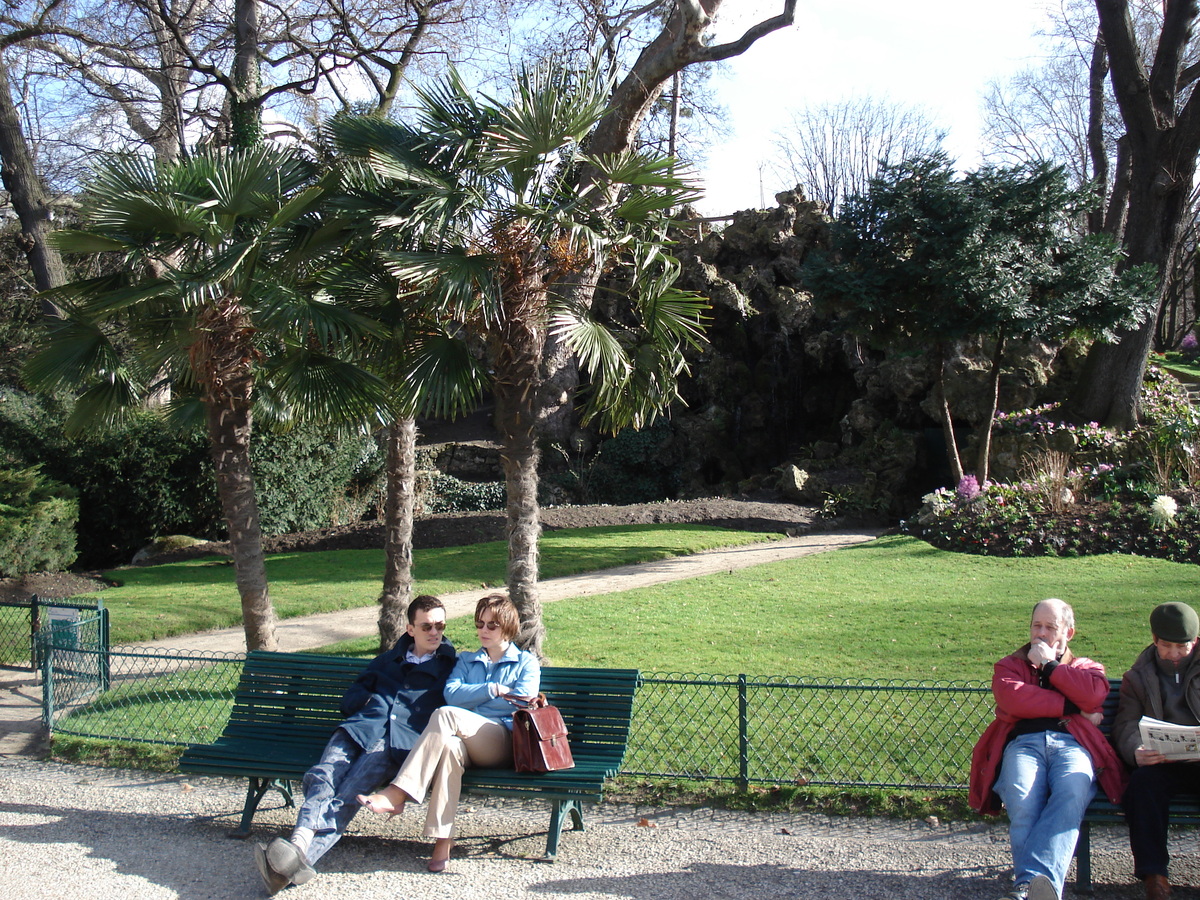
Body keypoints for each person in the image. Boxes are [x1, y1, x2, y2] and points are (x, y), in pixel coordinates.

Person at [252, 594, 457, 895]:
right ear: (410, 628)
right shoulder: (387, 661)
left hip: (393, 743)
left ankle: (295, 851)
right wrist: (369, 702)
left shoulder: (450, 666)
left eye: (439, 625)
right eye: (426, 626)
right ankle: (294, 860)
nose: (434, 632)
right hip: (358, 729)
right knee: (323, 776)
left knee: (348, 794)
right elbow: (350, 698)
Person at [357, 591, 540, 873]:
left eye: (492, 625)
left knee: (444, 715)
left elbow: (521, 700)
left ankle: (397, 793)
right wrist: (492, 690)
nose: (484, 630)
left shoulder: (525, 662)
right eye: (480, 624)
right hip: (464, 739)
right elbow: (452, 694)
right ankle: (442, 840)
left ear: (508, 627)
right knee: (450, 747)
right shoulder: (467, 660)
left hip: (501, 741)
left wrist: (477, 698)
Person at [969, 598, 1126, 900]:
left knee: (1073, 790)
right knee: (1023, 798)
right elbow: (1013, 699)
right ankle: (1038, 890)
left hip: (1072, 746)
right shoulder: (1010, 665)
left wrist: (1050, 666)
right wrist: (1072, 708)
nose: (1041, 634)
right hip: (1023, 745)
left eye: (1050, 627)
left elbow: (1093, 694)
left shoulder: (1086, 667)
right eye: (1036, 626)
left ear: (1069, 633)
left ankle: (1026, 889)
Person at [1111, 601, 1200, 900]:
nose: (1174, 654)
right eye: (1166, 646)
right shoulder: (1137, 676)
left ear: (1195, 641)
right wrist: (1136, 750)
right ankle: (1155, 876)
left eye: (1181, 646)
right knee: (1142, 786)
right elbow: (1125, 723)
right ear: (1154, 640)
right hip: (1163, 761)